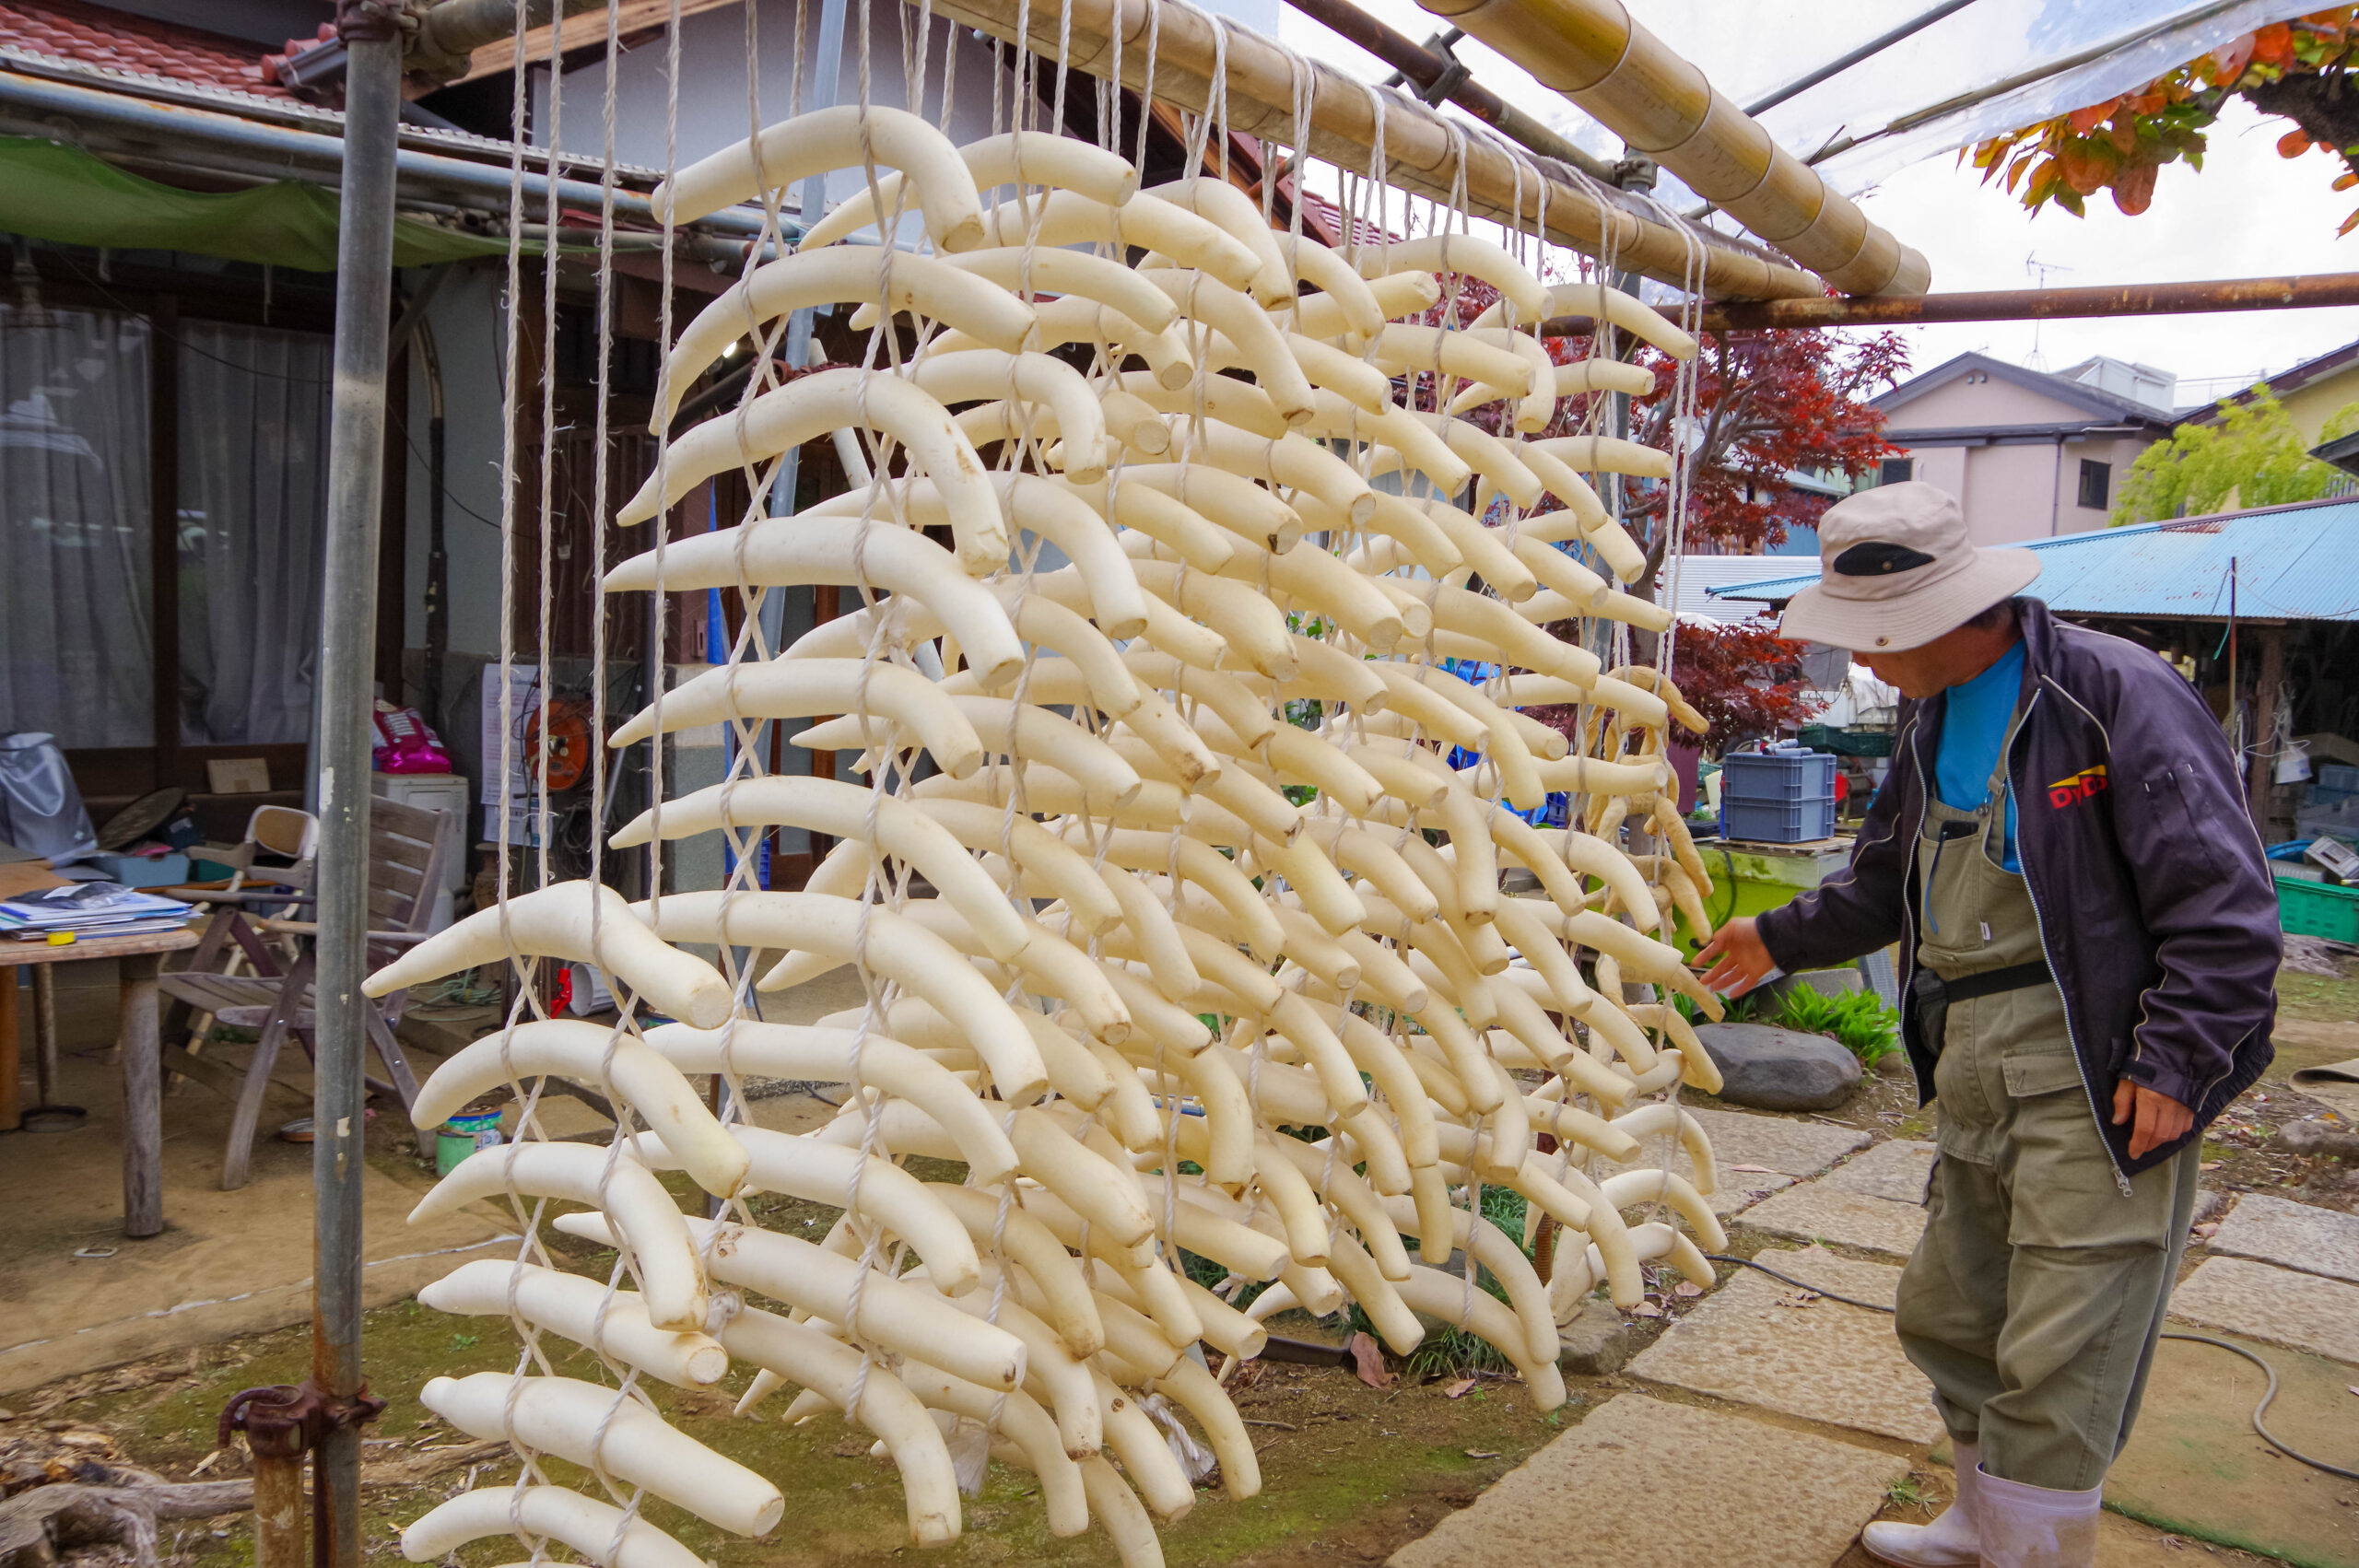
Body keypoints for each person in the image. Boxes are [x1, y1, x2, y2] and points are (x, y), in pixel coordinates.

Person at [1695, 483, 2280, 1568]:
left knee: (2065, 1337)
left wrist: (2180, 1057)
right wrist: (1776, 935)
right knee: (1956, 1310)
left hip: (2094, 1061)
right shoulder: (1927, 716)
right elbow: (1881, 882)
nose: (1863, 661)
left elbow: (2225, 906)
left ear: (1936, 615)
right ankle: (1979, 1524)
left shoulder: (2111, 695)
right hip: (1972, 1056)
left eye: (1875, 637)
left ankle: (2031, 1552)